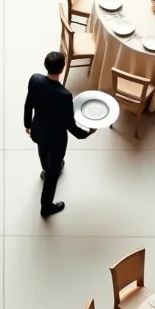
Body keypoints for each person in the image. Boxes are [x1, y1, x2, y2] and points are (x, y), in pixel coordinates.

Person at [23, 51, 96, 216]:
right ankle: (46, 207)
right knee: (54, 173)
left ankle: (44, 170)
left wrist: (28, 124)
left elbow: (28, 103)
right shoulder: (64, 95)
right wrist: (88, 132)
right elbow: (71, 126)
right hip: (56, 139)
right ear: (62, 69)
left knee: (42, 150)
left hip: (38, 130)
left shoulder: (35, 79)